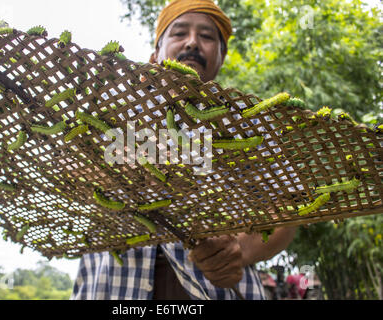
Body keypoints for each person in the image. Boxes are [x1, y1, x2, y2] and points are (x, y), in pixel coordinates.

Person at [71, 0, 297, 300]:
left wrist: (237, 251)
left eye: (206, 36)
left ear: (221, 56)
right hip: (114, 287)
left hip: (218, 288)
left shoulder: (248, 126)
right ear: (155, 55)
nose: (192, 42)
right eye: (179, 33)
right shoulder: (112, 116)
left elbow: (287, 210)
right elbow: (72, 174)